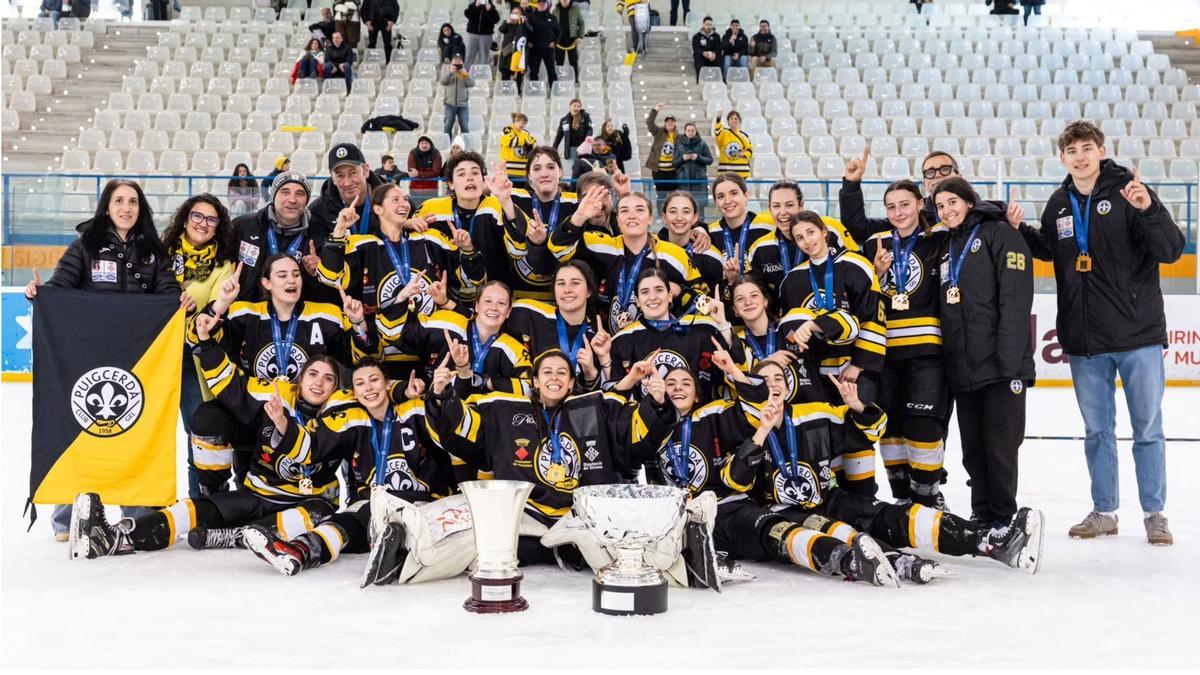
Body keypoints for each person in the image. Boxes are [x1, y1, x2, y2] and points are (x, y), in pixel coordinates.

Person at [1014, 120, 1183, 545]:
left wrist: (1149, 209)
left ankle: (1154, 514)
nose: (1081, 157)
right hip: (1086, 340)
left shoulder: (1130, 191)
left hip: (1138, 334)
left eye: (1087, 148)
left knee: (1147, 429)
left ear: (1102, 150)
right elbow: (1053, 251)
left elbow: (1171, 250)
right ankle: (1104, 511)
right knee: (1097, 432)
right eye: (1072, 151)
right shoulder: (1058, 203)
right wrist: (1019, 232)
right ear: (1062, 158)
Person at [67, 352, 346, 559]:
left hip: (306, 503)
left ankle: (235, 535)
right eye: (313, 374)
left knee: (321, 512)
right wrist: (205, 340)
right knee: (193, 509)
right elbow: (229, 384)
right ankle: (115, 537)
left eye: (328, 378)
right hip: (257, 495)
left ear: (336, 387)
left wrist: (286, 428)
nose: (319, 382)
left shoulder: (344, 416)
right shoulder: (276, 396)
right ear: (300, 379)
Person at [24, 179, 183, 540]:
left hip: (139, 355)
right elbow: (60, 288)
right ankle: (68, 513)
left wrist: (181, 302)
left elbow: (169, 295)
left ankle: (138, 508)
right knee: (81, 426)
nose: (126, 208)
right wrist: (41, 295)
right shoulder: (84, 246)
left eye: (133, 202)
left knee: (136, 426)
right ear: (106, 207)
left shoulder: (154, 253)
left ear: (141, 209)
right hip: (89, 354)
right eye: (119, 201)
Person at [242, 358, 453, 575]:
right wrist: (283, 423)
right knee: (346, 522)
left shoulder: (415, 408)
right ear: (354, 392)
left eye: (374, 380)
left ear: (388, 384)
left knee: (366, 513)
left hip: (423, 505)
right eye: (360, 383)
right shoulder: (352, 418)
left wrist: (438, 394)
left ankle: (397, 548)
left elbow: (446, 431)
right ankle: (299, 551)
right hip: (373, 508)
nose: (368, 388)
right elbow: (313, 448)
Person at [931, 177, 1034, 530]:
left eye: (952, 202)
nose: (946, 211)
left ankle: (1003, 517)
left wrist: (1009, 363)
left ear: (969, 202)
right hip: (965, 368)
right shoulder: (946, 246)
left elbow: (1016, 300)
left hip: (1002, 367)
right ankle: (982, 513)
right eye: (940, 206)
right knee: (973, 449)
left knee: (1000, 447)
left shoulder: (1000, 233)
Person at [848, 179, 952, 507]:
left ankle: (928, 496)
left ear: (922, 204)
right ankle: (903, 501)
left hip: (926, 353)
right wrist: (876, 276)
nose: (898, 212)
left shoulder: (940, 240)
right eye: (891, 206)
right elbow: (863, 298)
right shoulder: (876, 244)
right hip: (884, 353)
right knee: (890, 426)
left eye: (905, 204)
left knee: (922, 425)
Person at [320, 182, 484, 378]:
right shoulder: (362, 244)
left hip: (429, 348)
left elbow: (472, 280)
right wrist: (339, 230)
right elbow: (329, 277)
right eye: (395, 199)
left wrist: (467, 250)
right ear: (378, 209)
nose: (404, 204)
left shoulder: (430, 239)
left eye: (406, 199)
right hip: (381, 351)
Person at [160, 195, 238, 498]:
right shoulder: (161, 254)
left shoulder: (223, 265)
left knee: (199, 434)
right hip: (157, 357)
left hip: (193, 359)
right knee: (151, 432)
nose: (203, 224)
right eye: (197, 216)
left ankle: (203, 506)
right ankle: (149, 506)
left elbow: (218, 311)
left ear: (219, 226)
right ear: (185, 217)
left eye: (211, 219)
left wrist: (197, 311)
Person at [549, 191, 703, 334]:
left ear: (651, 217)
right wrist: (579, 216)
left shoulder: (676, 255)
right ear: (617, 220)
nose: (632, 216)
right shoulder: (599, 244)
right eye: (624, 210)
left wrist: (679, 290)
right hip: (603, 342)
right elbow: (557, 249)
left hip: (658, 342)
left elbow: (704, 303)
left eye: (639, 209)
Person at [412, 151, 511, 304]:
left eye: (475, 172)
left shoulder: (498, 205)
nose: (469, 177)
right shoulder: (432, 208)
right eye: (461, 174)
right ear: (451, 183)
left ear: (484, 180)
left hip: (492, 298)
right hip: (445, 297)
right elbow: (399, 236)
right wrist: (408, 223)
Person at [506, 261, 605, 387]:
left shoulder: (597, 336)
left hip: (577, 405)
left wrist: (590, 372)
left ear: (589, 291)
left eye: (575, 283)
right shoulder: (527, 314)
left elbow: (597, 394)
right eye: (561, 283)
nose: (567, 290)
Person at [309, 143, 385, 245]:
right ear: (333, 179)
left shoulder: (394, 200)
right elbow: (317, 250)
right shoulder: (317, 211)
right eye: (340, 175)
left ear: (366, 171)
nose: (347, 183)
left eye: (353, 173)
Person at [657, 190, 722, 292]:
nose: (679, 218)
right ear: (664, 217)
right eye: (673, 211)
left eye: (686, 211)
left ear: (695, 217)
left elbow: (714, 302)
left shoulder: (711, 256)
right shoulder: (653, 252)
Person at [671, 123, 713, 213]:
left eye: (692, 130)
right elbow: (674, 163)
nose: (690, 132)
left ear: (696, 131)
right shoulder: (679, 145)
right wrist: (682, 158)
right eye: (688, 130)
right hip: (683, 182)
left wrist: (697, 157)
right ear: (685, 132)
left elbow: (710, 160)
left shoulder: (702, 144)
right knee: (684, 208)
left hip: (699, 182)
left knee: (699, 209)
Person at [645, 103, 680, 210]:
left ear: (674, 124)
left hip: (673, 171)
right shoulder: (659, 132)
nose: (669, 123)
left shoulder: (679, 137)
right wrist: (655, 110)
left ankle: (672, 212)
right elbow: (649, 123)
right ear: (665, 124)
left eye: (671, 121)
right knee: (661, 195)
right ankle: (661, 215)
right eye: (667, 122)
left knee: (672, 195)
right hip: (659, 171)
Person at [498, 5, 533, 95]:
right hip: (507, 54)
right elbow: (501, 29)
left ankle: (517, 93)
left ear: (522, 14)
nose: (515, 15)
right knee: (505, 75)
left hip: (519, 54)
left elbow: (531, 31)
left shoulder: (524, 24)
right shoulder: (508, 24)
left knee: (518, 77)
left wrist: (523, 22)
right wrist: (507, 21)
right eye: (514, 13)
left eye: (518, 13)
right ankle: (504, 93)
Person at [440, 53, 475, 139]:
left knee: (465, 127)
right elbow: (442, 82)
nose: (457, 63)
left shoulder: (465, 73)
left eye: (459, 61)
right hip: (449, 104)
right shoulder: (447, 72)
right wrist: (450, 73)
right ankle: (448, 146)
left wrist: (465, 75)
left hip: (463, 105)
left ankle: (465, 148)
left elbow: (471, 84)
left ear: (462, 63)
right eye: (455, 61)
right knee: (447, 127)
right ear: (451, 62)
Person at [525, 0, 559, 87]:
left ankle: (554, 91)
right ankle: (534, 91)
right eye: (540, 4)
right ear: (537, 5)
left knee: (551, 71)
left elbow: (558, 32)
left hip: (549, 49)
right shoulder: (530, 17)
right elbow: (526, 31)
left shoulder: (553, 18)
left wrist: (554, 42)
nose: (542, 5)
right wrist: (528, 41)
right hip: (535, 49)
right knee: (534, 72)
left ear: (547, 5)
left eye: (544, 4)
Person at [712, 109, 752, 178]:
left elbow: (749, 151)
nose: (734, 120)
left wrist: (742, 154)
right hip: (726, 171)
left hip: (741, 172)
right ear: (728, 121)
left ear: (739, 121)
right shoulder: (723, 133)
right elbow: (717, 130)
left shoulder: (744, 136)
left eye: (736, 119)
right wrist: (719, 118)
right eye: (731, 119)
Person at [500, 112, 538, 187]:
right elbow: (511, 142)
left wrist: (530, 145)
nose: (522, 124)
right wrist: (524, 142)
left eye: (524, 123)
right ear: (514, 121)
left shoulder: (525, 133)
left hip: (523, 172)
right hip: (509, 171)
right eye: (520, 122)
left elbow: (533, 145)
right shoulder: (507, 130)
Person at [406, 137, 444, 206]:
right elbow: (412, 172)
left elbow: (436, 172)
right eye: (422, 143)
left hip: (432, 190)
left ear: (430, 144)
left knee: (431, 212)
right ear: (418, 144)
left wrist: (418, 173)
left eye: (426, 143)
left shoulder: (436, 153)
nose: (424, 145)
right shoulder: (413, 153)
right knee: (416, 212)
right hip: (415, 190)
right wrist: (427, 173)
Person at [464, 0, 501, 69]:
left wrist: (490, 11)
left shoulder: (492, 8)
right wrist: (476, 6)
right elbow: (468, 14)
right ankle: (465, 74)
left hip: (486, 35)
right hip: (472, 34)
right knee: (469, 55)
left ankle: (482, 74)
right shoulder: (472, 6)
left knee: (484, 56)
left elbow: (496, 19)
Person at [553, 0, 584, 81]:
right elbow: (552, 26)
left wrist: (580, 36)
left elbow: (581, 23)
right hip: (559, 41)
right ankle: (558, 79)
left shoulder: (575, 9)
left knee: (573, 61)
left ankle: (575, 78)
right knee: (559, 61)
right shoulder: (555, 11)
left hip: (572, 40)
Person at [692, 16, 721, 83]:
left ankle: (718, 79)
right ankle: (700, 79)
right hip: (702, 56)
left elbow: (718, 47)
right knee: (697, 56)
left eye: (710, 25)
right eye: (707, 24)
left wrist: (714, 53)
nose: (709, 27)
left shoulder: (716, 36)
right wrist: (703, 53)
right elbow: (696, 48)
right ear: (703, 25)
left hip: (712, 56)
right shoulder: (697, 36)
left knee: (719, 56)